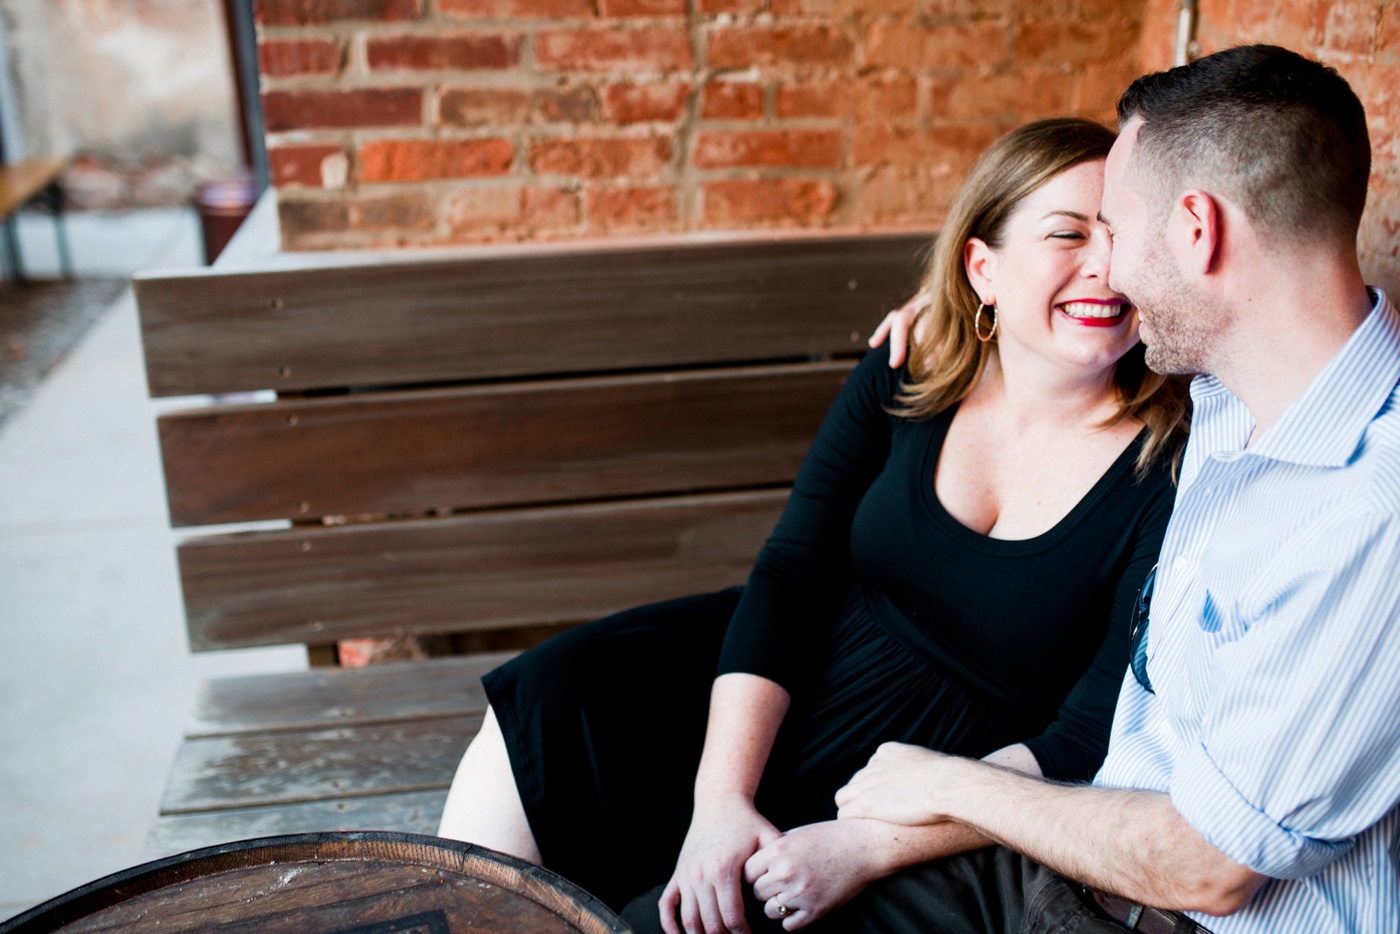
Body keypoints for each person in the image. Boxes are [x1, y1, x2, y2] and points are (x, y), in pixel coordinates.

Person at [435, 117, 1190, 933]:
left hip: (944, 774)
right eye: (1067, 233)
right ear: (984, 267)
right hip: (796, 675)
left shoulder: (1174, 466)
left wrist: (869, 842)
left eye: (1116, 234)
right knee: (560, 695)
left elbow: (1088, 734)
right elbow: (794, 569)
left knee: (683, 917)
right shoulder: (915, 368)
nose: (1104, 266)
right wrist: (720, 798)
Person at [831, 44, 1400, 934]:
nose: (1113, 271)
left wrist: (945, 783)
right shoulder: (1231, 390)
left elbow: (1206, 867)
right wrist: (967, 317)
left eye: (1118, 229)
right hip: (1074, 859)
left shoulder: (1372, 513)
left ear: (1194, 231)